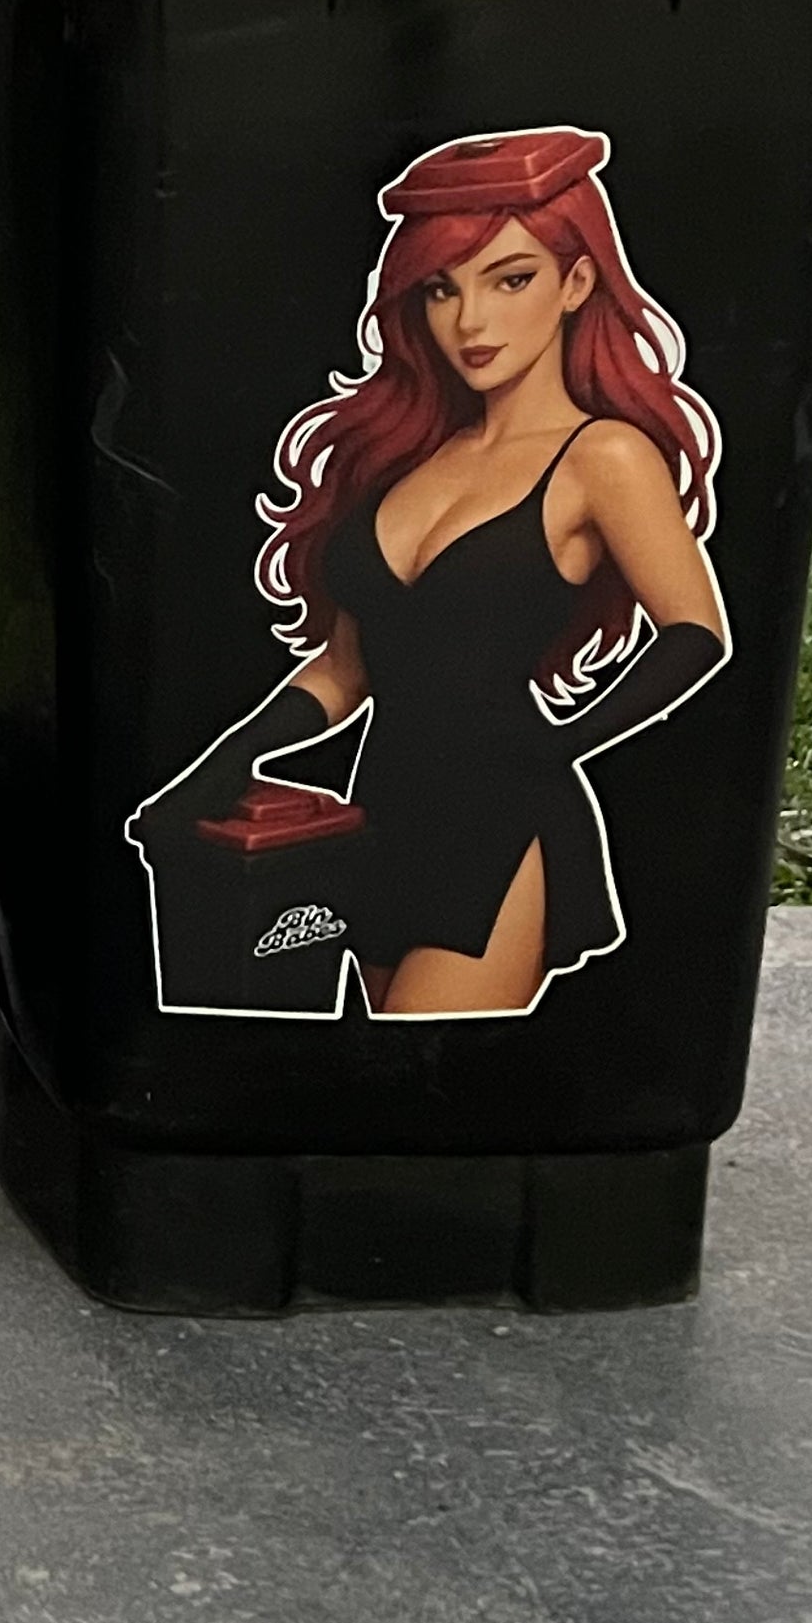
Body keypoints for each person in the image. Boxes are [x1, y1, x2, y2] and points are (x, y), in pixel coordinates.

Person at [138, 128, 728, 1017]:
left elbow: (695, 633)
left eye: (511, 279)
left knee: (428, 1067)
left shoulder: (602, 456)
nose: (471, 322)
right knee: (387, 1087)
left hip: (504, 821)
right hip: (378, 814)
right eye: (445, 289)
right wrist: (230, 761)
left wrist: (561, 744)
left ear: (575, 283)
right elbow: (347, 666)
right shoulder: (412, 456)